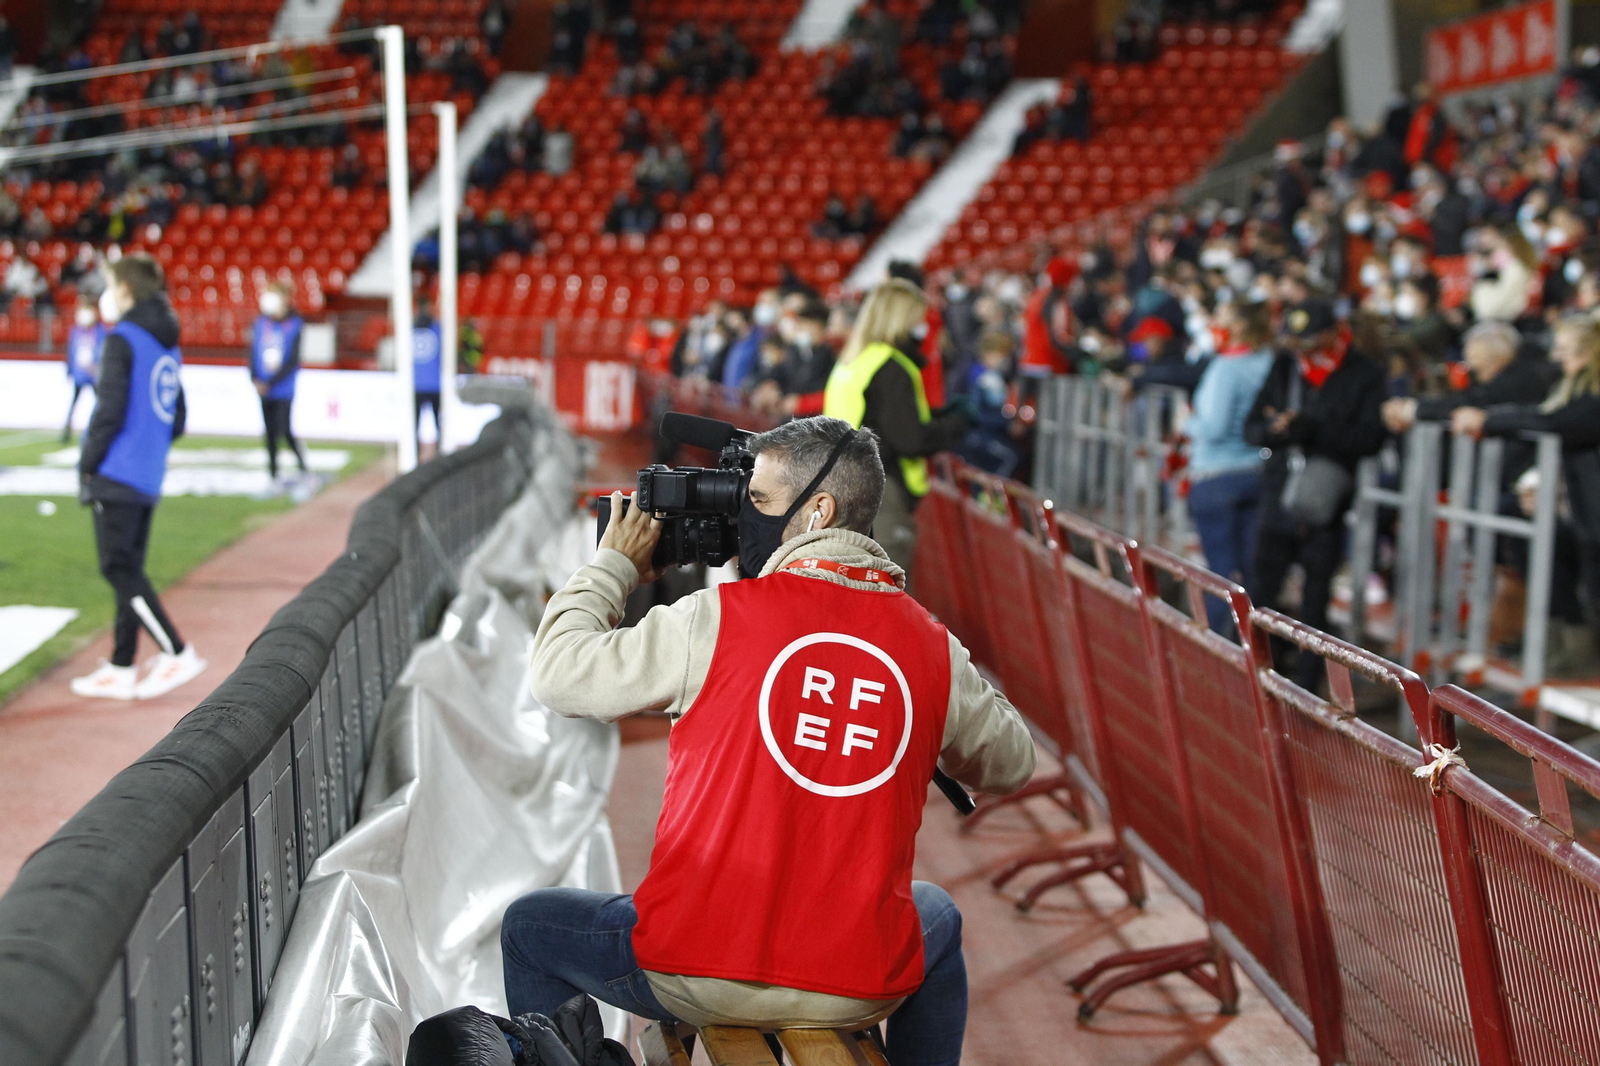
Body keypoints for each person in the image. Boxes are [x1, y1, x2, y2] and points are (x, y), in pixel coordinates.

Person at [505, 417, 1036, 1066]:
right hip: (855, 984)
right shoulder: (929, 645)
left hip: (693, 972)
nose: (742, 518)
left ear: (819, 510)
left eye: (756, 501)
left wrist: (613, 566)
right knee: (937, 915)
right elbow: (1012, 763)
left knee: (529, 928)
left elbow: (558, 674)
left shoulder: (714, 619)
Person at [71, 254, 207, 701]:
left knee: (119, 568)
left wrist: (87, 464)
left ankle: (176, 650)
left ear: (126, 290)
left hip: (118, 470)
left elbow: (106, 412)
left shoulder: (123, 339)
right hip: (147, 474)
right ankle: (122, 664)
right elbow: (179, 417)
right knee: (128, 572)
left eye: (111, 285)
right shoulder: (166, 342)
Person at [1244, 299, 1386, 688]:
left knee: (1315, 599)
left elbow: (1370, 438)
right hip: (1278, 495)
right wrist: (1276, 430)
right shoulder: (1285, 366)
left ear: (1331, 333)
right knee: (1261, 591)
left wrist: (1311, 429)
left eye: (1309, 339)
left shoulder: (1364, 373)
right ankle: (1253, 675)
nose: (1301, 348)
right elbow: (1251, 427)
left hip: (1326, 500)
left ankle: (1308, 686)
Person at [1452, 316, 1600, 641]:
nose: (1557, 356)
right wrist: (1535, 482)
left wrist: (1488, 419)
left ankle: (1573, 638)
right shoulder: (1569, 387)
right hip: (1581, 509)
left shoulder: (1590, 396)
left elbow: (1557, 422)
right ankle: (1565, 635)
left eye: (1566, 349)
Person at [823, 279, 969, 580]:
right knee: (887, 587)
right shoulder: (892, 367)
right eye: (917, 317)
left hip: (846, 485)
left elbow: (879, 419)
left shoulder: (853, 361)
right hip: (883, 493)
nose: (923, 326)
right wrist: (959, 422)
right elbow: (910, 438)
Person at [1184, 300, 1275, 629]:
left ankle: (1216, 662)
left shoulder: (1226, 368)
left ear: (1237, 325)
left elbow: (1214, 427)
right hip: (1259, 474)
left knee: (1222, 577)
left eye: (1220, 317)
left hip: (1217, 477)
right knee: (1252, 577)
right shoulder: (1270, 363)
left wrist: (1187, 423)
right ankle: (1255, 660)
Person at [250, 282, 308, 482]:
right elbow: (252, 352)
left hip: (283, 388)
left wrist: (271, 382)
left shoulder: (295, 324)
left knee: (284, 428)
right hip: (263, 388)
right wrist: (255, 379)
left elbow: (292, 359)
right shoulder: (261, 322)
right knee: (269, 432)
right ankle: (273, 471)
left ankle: (302, 463)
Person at [63, 295, 104, 443]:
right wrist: (69, 369)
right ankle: (66, 430)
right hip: (80, 374)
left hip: (93, 375)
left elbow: (102, 351)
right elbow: (71, 352)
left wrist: (97, 368)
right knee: (74, 403)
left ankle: (98, 430)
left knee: (100, 404)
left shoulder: (99, 331)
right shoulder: (76, 330)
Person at [412, 298, 444, 448]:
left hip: (416, 383)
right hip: (435, 383)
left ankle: (415, 453)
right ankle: (440, 453)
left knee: (414, 424)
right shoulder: (438, 328)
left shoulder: (410, 328)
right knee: (439, 423)